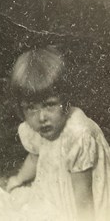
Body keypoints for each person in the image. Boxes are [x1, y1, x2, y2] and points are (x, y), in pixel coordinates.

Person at [6, 46, 110, 221]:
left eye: (49, 104)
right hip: (56, 189)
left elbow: (84, 197)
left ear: (66, 102)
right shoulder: (38, 127)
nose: (41, 117)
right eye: (31, 107)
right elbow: (35, 156)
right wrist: (19, 178)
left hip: (82, 199)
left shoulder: (78, 135)